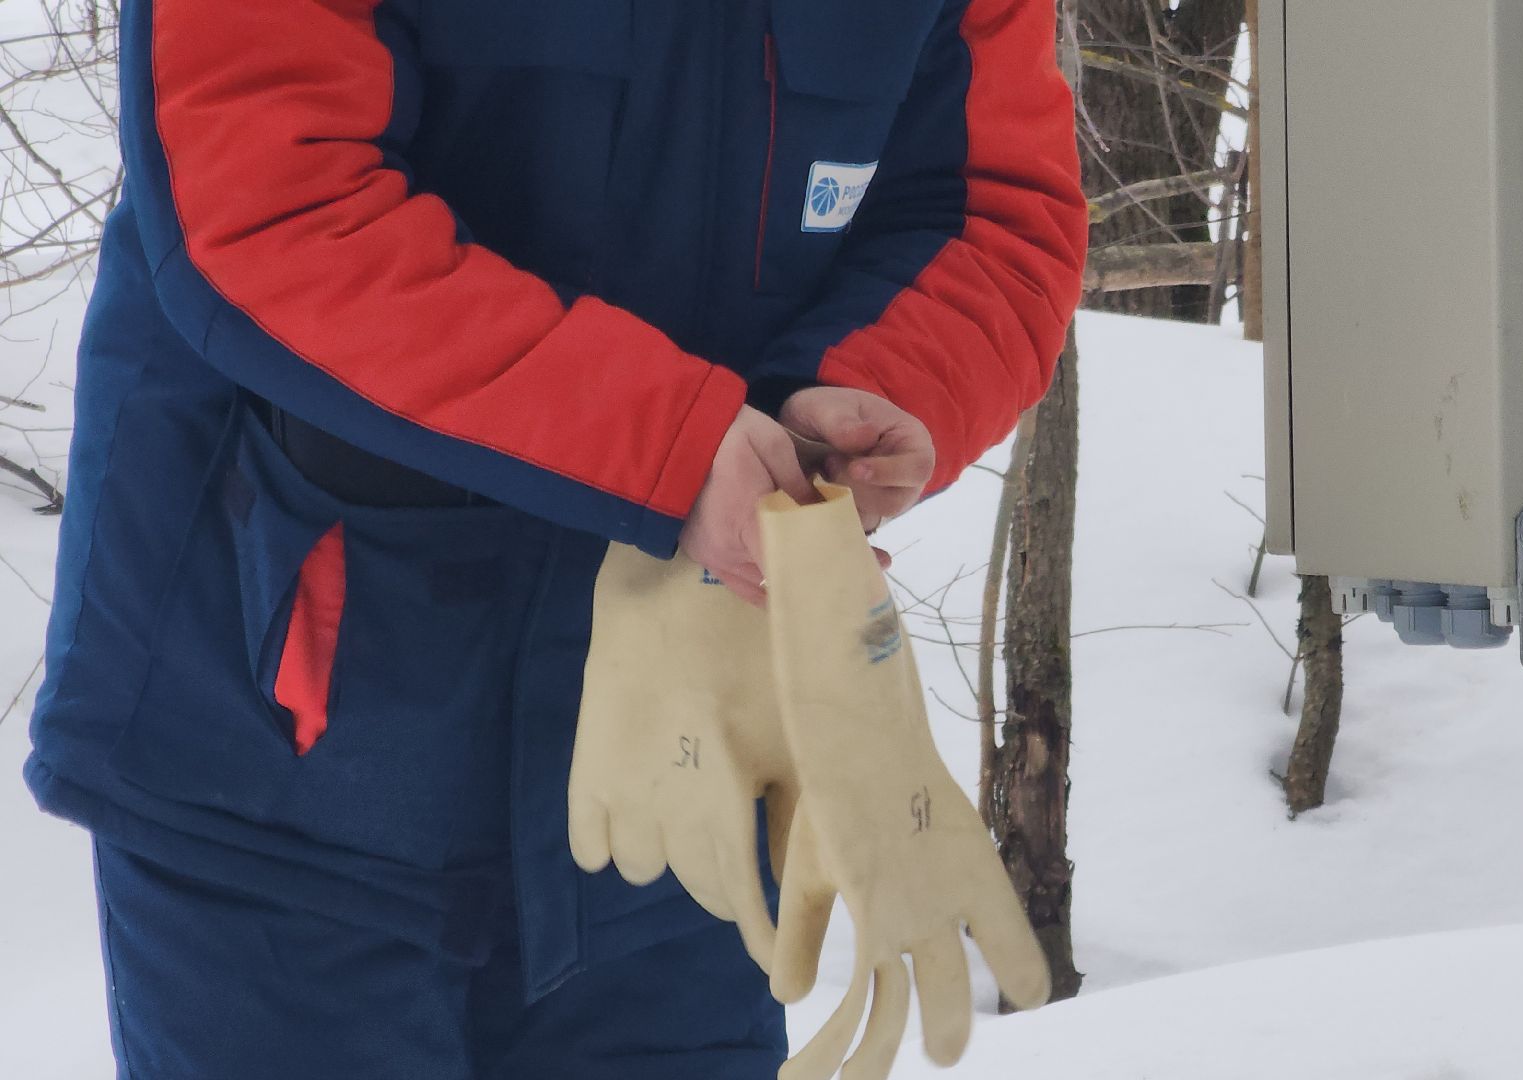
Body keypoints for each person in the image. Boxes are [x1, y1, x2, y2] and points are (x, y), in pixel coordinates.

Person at [23, 0, 1086, 1075]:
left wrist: (860, 395)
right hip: (280, 746)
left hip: (676, 784)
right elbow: (267, 196)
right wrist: (670, 447)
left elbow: (990, 214)